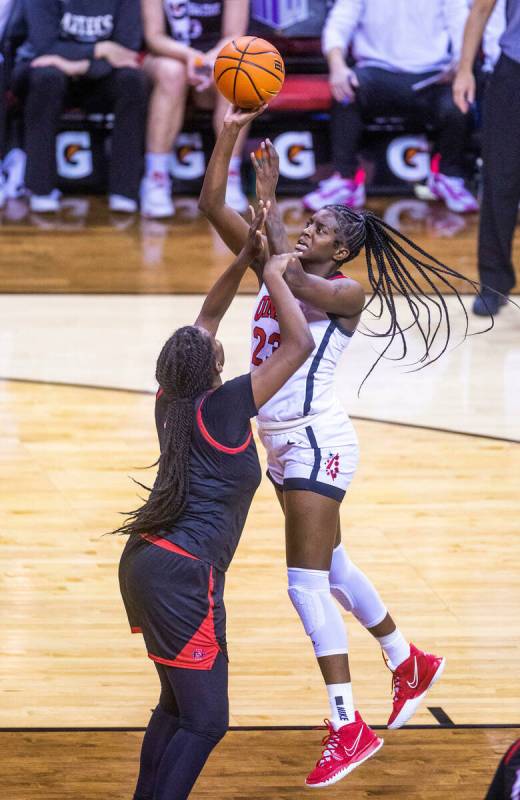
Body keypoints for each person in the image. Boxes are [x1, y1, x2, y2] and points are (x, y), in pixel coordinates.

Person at [198, 106, 497, 788]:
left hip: (316, 444)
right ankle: (408, 661)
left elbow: (283, 275)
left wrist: (268, 217)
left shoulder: (342, 291)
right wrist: (230, 132)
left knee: (303, 585)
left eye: (321, 229)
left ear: (341, 250)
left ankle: (347, 725)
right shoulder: (282, 262)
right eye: (306, 222)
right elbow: (211, 201)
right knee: (332, 567)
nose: (308, 230)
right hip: (282, 447)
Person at [115, 206, 314, 800]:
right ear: (216, 367)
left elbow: (206, 315)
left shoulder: (169, 397)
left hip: (147, 561)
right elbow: (299, 341)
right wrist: (272, 270)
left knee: (176, 707)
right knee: (206, 720)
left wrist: (243, 257)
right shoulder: (224, 406)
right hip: (182, 572)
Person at [303, 0, 478, 215]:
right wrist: (337, 66)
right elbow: (340, 22)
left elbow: (461, 23)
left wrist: (461, 65)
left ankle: (448, 176)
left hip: (433, 74)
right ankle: (345, 180)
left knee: (459, 96)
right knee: (345, 91)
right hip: (376, 71)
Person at [12, 0, 148, 214]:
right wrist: (99, 48)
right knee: (47, 77)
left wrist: (81, 65)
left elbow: (127, 49)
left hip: (97, 74)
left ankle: (125, 190)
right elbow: (45, 46)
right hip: (45, 70)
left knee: (132, 80)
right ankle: (40, 189)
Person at [140, 0, 250, 218]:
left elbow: (234, 35)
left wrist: (208, 60)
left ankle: (229, 178)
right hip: (167, 57)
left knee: (237, 72)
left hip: (216, 57)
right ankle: (156, 178)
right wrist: (190, 57)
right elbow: (154, 37)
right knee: (173, 73)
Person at [454, 0, 519, 315]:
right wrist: (465, 69)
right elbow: (481, 9)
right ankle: (494, 282)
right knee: (500, 178)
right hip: (514, 72)